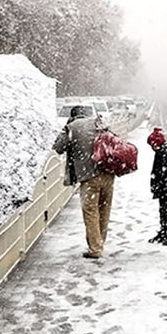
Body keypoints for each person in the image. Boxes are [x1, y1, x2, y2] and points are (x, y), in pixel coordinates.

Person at [53, 105, 114, 258]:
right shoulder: (98, 122)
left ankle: (95, 248)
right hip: (108, 173)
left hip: (89, 176)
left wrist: (66, 129)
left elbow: (58, 148)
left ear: (72, 116)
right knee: (104, 209)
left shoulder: (71, 127)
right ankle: (100, 242)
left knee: (90, 212)